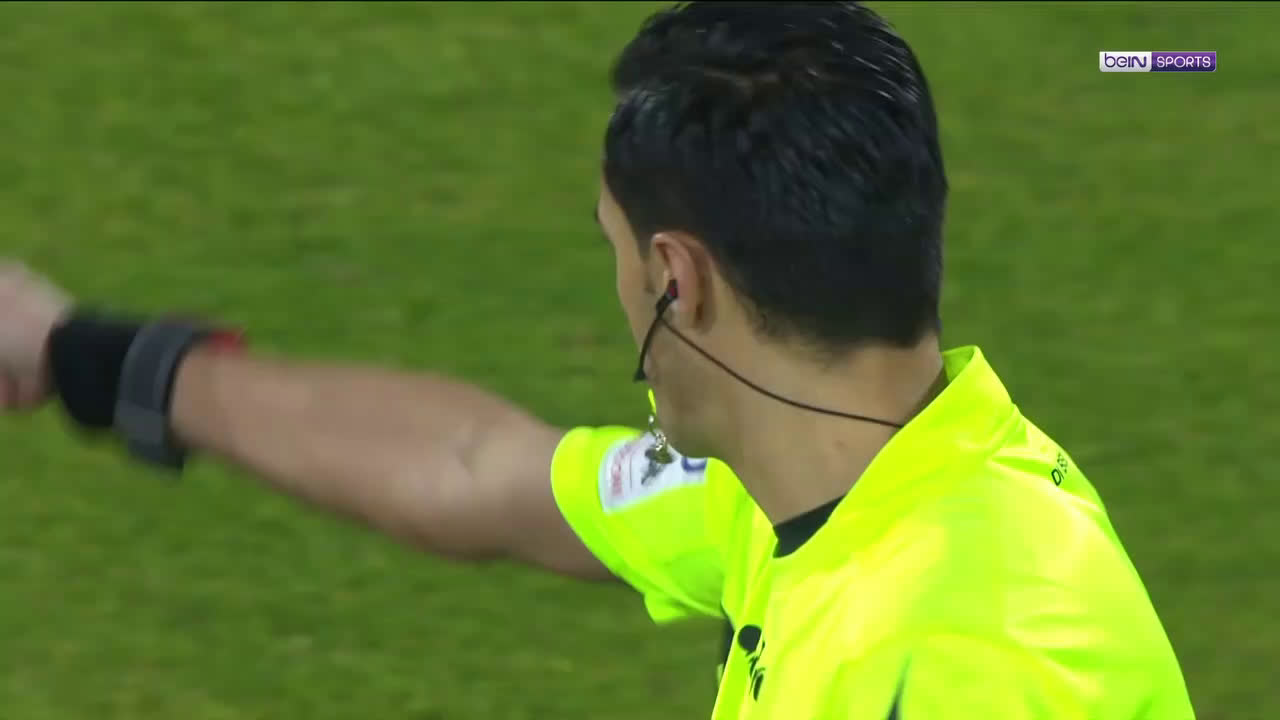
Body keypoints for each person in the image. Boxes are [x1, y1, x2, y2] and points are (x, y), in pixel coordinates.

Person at [0, 3, 1194, 719]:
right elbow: (477, 468)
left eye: (612, 251)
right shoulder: (830, 470)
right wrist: (89, 354)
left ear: (675, 281)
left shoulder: (961, 671)